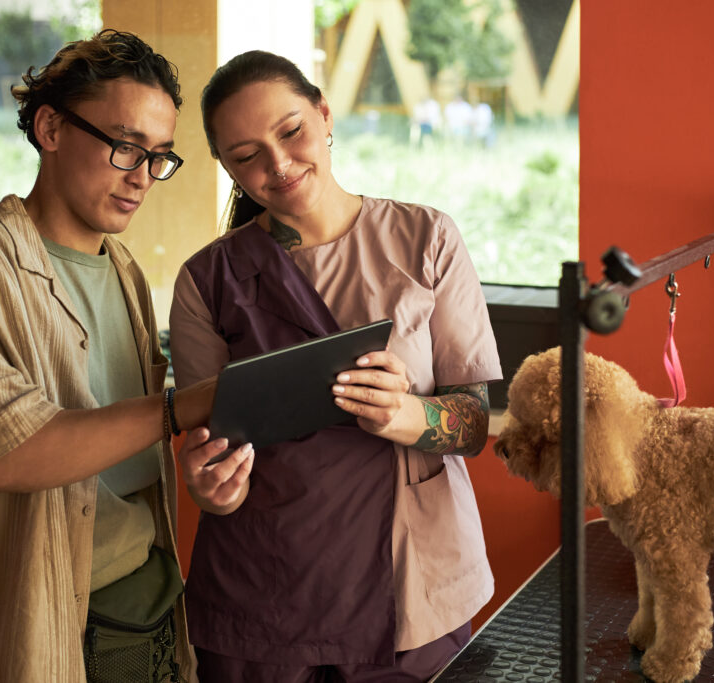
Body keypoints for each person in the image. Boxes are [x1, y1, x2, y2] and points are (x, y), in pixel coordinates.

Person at [0, 30, 235, 683]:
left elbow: (127, 462)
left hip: (147, 600)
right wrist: (180, 406)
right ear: (50, 127)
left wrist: (206, 472)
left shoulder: (125, 271)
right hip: (32, 617)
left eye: (159, 157)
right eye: (126, 147)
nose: (142, 178)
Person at [169, 50, 502, 681]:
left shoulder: (425, 238)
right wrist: (209, 489)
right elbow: (209, 446)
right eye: (246, 156)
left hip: (412, 588)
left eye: (291, 131)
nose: (278, 164)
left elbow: (475, 424)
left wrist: (405, 415)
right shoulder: (208, 281)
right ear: (227, 168)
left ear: (324, 115)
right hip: (264, 591)